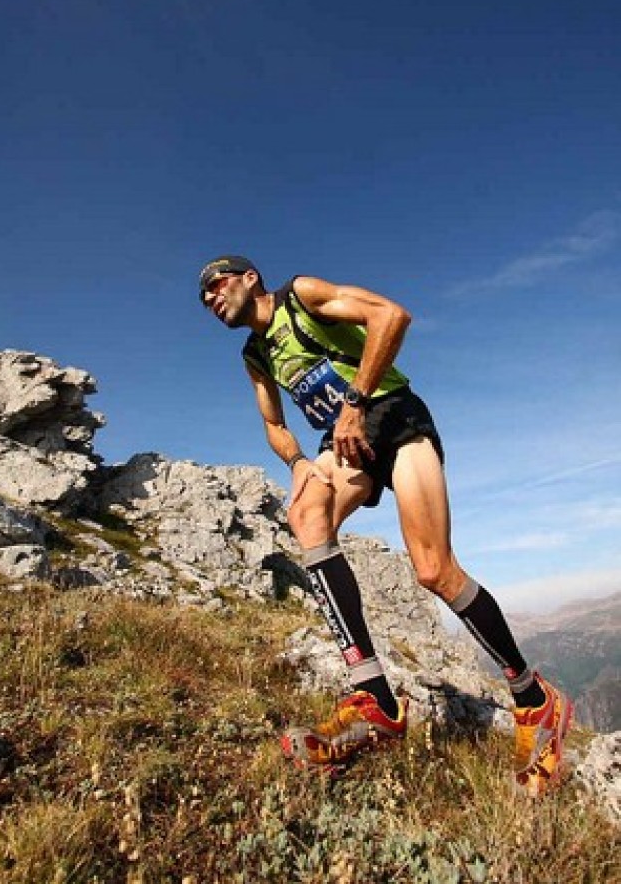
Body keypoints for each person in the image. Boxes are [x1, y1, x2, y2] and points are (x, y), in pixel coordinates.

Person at [198, 254, 573, 796]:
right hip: (345, 443)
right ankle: (375, 701)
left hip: (393, 419)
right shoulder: (255, 353)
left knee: (433, 570)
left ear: (249, 277)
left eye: (217, 285)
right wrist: (299, 463)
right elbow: (273, 424)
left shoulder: (301, 296)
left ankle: (534, 699)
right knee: (306, 512)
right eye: (204, 297)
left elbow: (392, 317)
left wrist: (354, 402)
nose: (211, 298)